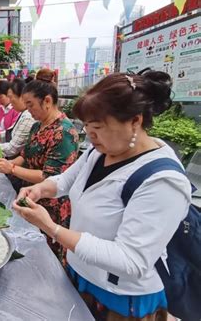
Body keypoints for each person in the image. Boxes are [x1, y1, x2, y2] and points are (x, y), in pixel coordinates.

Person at [13, 72, 192, 321]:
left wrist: (52, 228)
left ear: (135, 121)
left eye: (97, 128)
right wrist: (41, 189)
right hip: (81, 274)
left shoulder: (163, 181)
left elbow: (131, 260)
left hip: (119, 297)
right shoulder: (98, 152)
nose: (90, 135)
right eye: (87, 127)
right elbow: (65, 180)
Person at [0, 80, 79, 263]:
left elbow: (50, 176)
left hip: (50, 204)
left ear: (47, 101)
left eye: (30, 104)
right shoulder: (37, 126)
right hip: (30, 194)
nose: (27, 109)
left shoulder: (64, 132)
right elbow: (25, 154)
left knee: (47, 256)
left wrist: (12, 168)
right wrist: (5, 166)